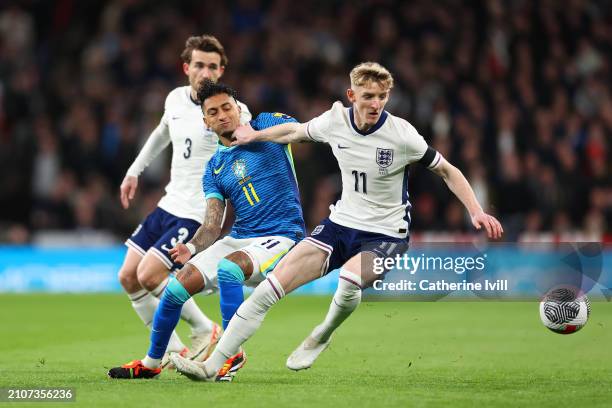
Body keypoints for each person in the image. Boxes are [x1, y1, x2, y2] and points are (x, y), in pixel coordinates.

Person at [169, 62, 503, 381]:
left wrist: (475, 210)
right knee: (268, 291)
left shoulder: (402, 135)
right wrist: (253, 136)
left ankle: (322, 333)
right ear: (352, 95)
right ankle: (213, 365)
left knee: (348, 279)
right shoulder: (335, 121)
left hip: (386, 233)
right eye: (368, 96)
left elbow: (447, 170)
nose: (375, 104)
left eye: (382, 96)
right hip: (340, 223)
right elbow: (296, 131)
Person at [108, 81, 306, 381]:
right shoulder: (214, 167)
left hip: (282, 235)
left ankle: (231, 355)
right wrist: (193, 247)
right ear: (206, 122)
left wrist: (255, 134)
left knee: (229, 269)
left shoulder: (266, 123)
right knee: (176, 287)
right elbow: (213, 223)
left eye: (227, 107)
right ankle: (151, 363)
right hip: (241, 236)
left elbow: (301, 133)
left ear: (238, 109)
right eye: (213, 112)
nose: (223, 115)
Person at [117, 35, 251, 366]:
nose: (205, 72)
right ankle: (172, 351)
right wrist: (134, 171)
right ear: (186, 67)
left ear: (221, 71)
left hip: (198, 211)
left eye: (212, 66)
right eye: (199, 65)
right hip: (169, 203)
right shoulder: (175, 99)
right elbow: (162, 132)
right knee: (128, 276)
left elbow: (250, 149)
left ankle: (207, 329)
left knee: (150, 274)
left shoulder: (232, 110)